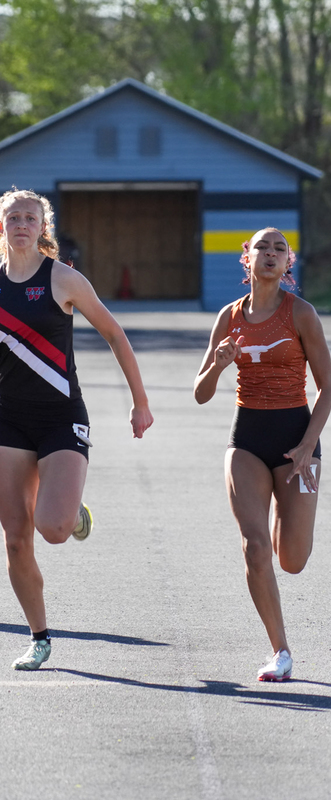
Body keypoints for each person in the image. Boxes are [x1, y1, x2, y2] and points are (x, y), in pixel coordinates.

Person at [0, 188, 153, 671]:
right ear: (1, 227)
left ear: (42, 227)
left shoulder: (62, 279)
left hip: (60, 416)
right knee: (16, 537)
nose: (21, 224)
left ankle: (70, 508)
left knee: (54, 528)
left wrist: (140, 402)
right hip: (7, 420)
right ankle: (39, 637)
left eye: (29, 217)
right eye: (12, 217)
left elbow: (114, 333)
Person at [194, 227, 331, 682]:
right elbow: (200, 393)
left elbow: (327, 390)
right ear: (246, 259)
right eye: (262, 248)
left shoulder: (302, 314)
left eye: (280, 249)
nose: (271, 255)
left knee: (291, 559)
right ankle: (280, 650)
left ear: (288, 262)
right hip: (247, 438)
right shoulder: (229, 317)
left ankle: (286, 515)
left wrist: (308, 446)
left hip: (298, 439)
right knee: (255, 548)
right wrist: (219, 362)